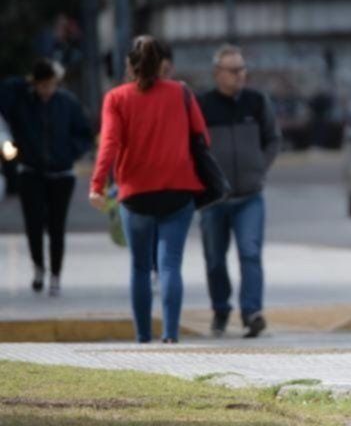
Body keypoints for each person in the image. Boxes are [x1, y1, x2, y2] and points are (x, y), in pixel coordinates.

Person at [89, 36, 209, 344]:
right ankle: (170, 335)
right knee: (170, 265)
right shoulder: (181, 93)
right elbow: (203, 138)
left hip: (136, 194)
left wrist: (97, 185)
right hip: (178, 191)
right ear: (160, 65)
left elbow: (109, 144)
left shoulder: (116, 98)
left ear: (129, 66)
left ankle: (143, 336)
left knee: (140, 267)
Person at [198, 44, 281, 338]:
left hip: (249, 196)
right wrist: (205, 178)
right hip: (213, 200)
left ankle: (252, 313)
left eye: (242, 69)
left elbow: (273, 139)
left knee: (250, 253)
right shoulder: (203, 105)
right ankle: (220, 310)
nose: (240, 75)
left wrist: (259, 168)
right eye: (233, 70)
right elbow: (193, 147)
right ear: (217, 73)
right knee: (215, 259)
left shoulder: (257, 102)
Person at [0, 60, 92, 297]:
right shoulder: (22, 102)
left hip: (62, 174)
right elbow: (4, 94)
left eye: (50, 85)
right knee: (33, 225)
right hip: (31, 172)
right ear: (35, 83)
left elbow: (84, 133)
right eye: (42, 85)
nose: (46, 90)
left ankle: (56, 274)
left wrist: (69, 153)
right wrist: (25, 82)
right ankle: (39, 266)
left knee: (56, 226)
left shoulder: (67, 103)